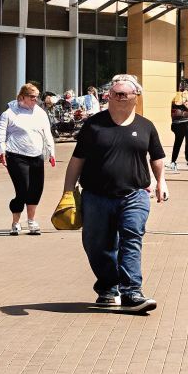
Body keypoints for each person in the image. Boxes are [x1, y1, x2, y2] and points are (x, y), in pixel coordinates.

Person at [61, 74, 165, 313]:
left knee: (131, 238)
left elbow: (157, 158)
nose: (116, 98)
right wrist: (68, 192)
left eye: (122, 94)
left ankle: (132, 293)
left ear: (135, 98)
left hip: (134, 195)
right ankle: (108, 287)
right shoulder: (93, 125)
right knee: (97, 244)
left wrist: (161, 182)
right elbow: (78, 160)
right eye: (112, 94)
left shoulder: (145, 126)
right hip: (96, 196)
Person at [0, 82, 55, 235]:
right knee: (23, 189)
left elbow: (47, 133)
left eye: (37, 97)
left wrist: (51, 152)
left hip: (36, 155)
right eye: (32, 97)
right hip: (15, 155)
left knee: (36, 189)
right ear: (22, 97)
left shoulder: (40, 113)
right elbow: (0, 134)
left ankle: (31, 221)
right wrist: (1, 150)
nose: (35, 100)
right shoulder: (9, 113)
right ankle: (15, 222)